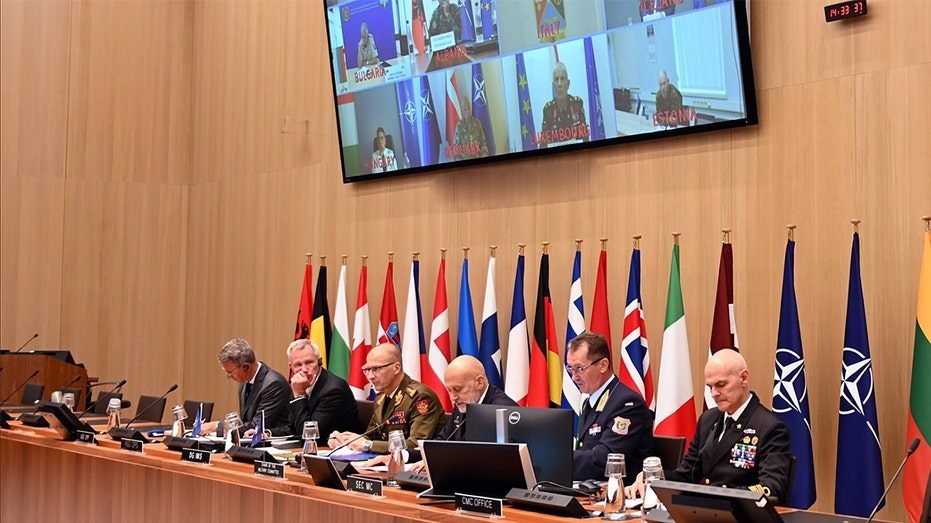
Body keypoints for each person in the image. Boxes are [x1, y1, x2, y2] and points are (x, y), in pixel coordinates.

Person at [625, 349, 792, 503]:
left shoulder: (769, 427)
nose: (713, 394)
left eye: (721, 385)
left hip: (741, 513)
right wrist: (652, 479)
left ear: (743, 378)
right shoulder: (708, 419)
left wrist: (715, 495)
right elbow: (686, 474)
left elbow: (772, 488)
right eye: (710, 387)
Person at [361, 355, 516, 470]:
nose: (453, 397)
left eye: (458, 389)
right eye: (449, 390)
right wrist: (401, 456)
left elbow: (482, 458)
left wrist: (435, 462)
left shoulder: (502, 411)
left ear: (479, 382)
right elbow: (441, 442)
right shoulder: (465, 402)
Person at [569, 332, 654, 484]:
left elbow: (605, 459)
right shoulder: (590, 402)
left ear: (603, 365)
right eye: (571, 369)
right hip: (590, 488)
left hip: (623, 492)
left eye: (580, 368)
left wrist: (559, 461)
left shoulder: (627, 403)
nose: (574, 377)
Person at [327, 343, 443, 453]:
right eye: (367, 370)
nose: (370, 376)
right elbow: (371, 436)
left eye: (376, 369)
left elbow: (416, 444)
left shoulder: (420, 397)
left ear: (396, 368)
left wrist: (368, 445)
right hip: (385, 461)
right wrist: (346, 440)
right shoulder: (381, 398)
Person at [272, 339, 361, 438]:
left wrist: (299, 395)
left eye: (309, 362)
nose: (304, 369)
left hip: (334, 445)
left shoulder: (334, 390)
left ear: (319, 362)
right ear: (291, 367)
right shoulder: (298, 385)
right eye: (298, 365)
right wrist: (267, 434)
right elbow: (294, 427)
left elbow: (309, 434)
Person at [202, 338, 290, 435]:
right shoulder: (244, 381)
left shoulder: (274, 384)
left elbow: (257, 425)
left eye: (230, 372)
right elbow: (245, 422)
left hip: (274, 441)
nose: (229, 377)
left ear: (246, 367)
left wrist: (218, 426)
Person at [541, 62, 589, 147]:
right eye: (556, 79)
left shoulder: (577, 104)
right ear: (553, 85)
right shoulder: (548, 110)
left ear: (568, 83)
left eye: (562, 79)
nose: (559, 84)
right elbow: (543, 143)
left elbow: (585, 137)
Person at [452, 95, 489, 160]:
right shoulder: (459, 126)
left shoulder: (477, 123)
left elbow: (483, 143)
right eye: (465, 109)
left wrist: (484, 154)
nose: (468, 111)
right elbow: (456, 150)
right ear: (462, 111)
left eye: (469, 107)